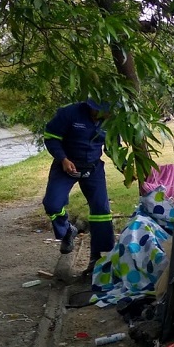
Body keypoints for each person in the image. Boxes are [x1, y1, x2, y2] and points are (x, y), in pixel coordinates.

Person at [42, 99, 115, 266]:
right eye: (99, 111)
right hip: (66, 166)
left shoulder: (110, 121)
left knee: (101, 212)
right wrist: (63, 159)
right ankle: (67, 231)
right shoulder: (69, 113)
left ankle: (99, 259)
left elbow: (112, 148)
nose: (103, 115)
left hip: (93, 168)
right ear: (91, 106)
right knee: (52, 204)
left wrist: (124, 167)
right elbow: (51, 137)